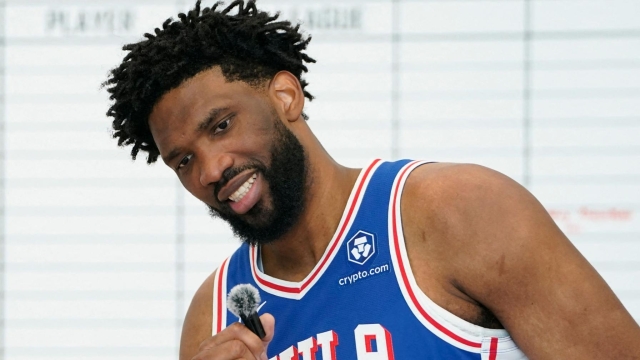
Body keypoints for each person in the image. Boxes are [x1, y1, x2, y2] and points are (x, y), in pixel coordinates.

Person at [104, 1, 640, 359]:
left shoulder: (457, 212)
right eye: (183, 161)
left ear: (285, 97)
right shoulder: (213, 312)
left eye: (222, 126)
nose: (211, 169)